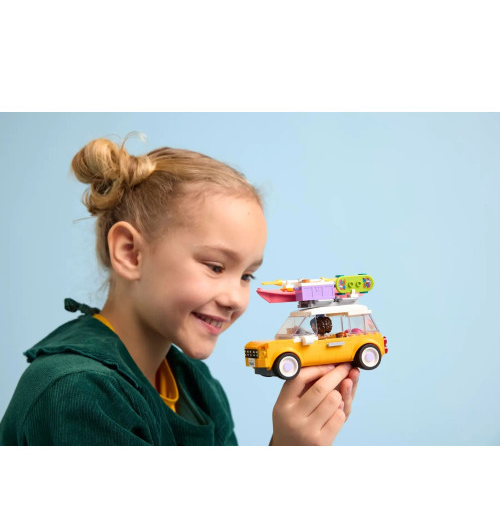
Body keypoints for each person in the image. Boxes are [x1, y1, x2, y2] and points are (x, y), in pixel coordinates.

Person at [0, 137, 360, 445]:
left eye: (247, 276)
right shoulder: (76, 393)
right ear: (130, 252)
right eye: (215, 267)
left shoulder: (195, 386)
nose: (235, 299)